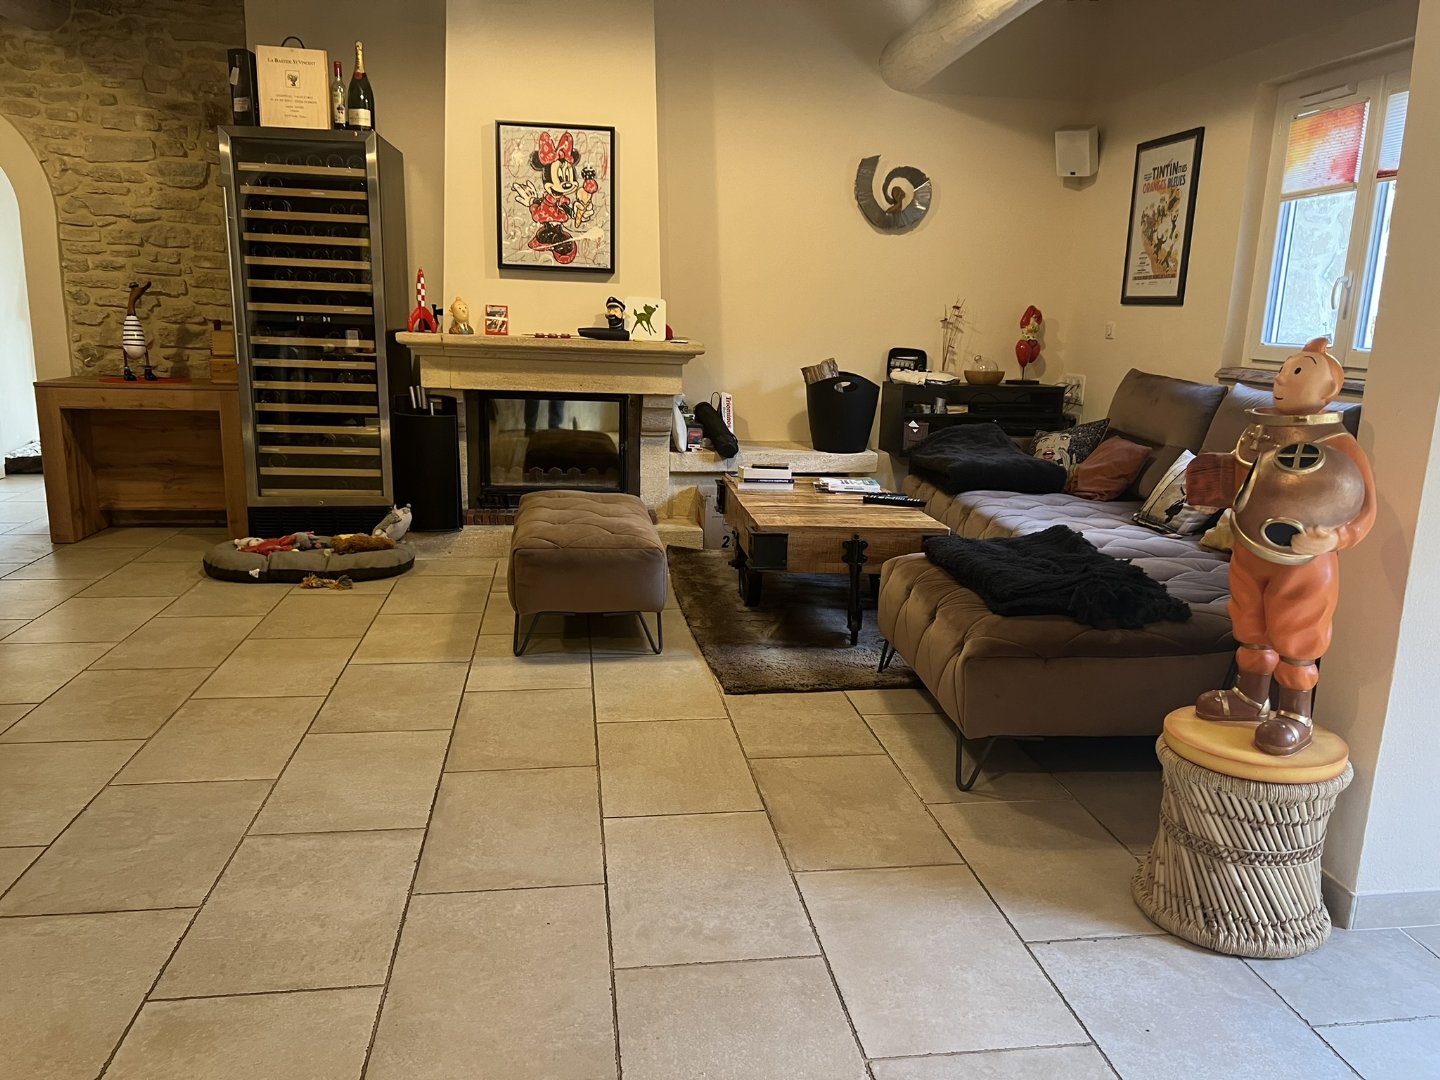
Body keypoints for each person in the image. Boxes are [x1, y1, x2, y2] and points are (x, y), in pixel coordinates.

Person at [1188, 337, 1375, 755]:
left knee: (1298, 631)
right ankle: (1250, 697)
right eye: (1283, 369)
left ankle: (1295, 713)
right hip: (1248, 550)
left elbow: (1365, 508)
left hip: (1303, 561)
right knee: (1249, 623)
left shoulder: (1339, 444)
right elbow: (1243, 482)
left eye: (1297, 372)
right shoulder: (1257, 433)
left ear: (1328, 391)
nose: (1281, 378)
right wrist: (1210, 489)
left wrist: (1337, 537)